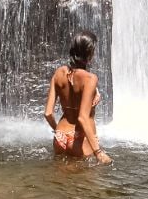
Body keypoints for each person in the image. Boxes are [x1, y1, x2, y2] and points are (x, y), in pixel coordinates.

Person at [45, 29, 112, 164]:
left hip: (60, 136)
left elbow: (48, 113)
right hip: (79, 138)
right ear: (89, 53)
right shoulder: (90, 79)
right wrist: (98, 152)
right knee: (87, 181)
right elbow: (82, 117)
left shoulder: (59, 73)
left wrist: (59, 132)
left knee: (60, 181)